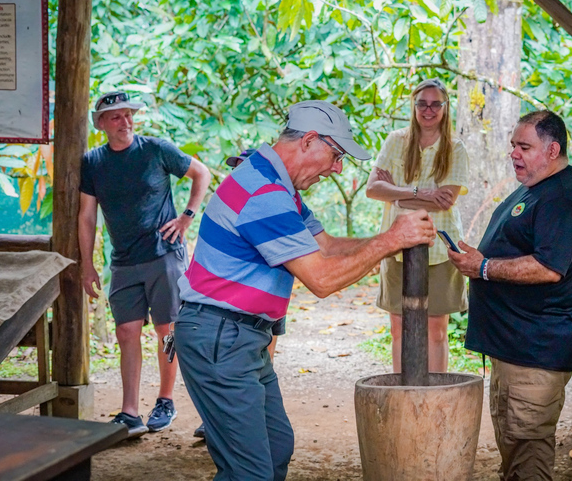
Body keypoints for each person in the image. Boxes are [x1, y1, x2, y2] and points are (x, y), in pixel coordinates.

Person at [174, 100, 436, 481]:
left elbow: (326, 246)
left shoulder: (279, 187)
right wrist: (391, 240)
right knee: (250, 472)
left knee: (276, 446)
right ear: (310, 140)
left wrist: (391, 238)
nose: (336, 169)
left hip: (239, 336)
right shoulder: (264, 192)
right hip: (220, 336)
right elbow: (322, 279)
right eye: (335, 156)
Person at [448, 110, 572, 481]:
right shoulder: (536, 186)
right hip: (514, 345)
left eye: (524, 146)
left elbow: (548, 267)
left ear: (552, 149)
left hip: (535, 349)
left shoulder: (564, 198)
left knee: (528, 453)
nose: (514, 153)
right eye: (513, 145)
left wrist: (483, 268)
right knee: (514, 446)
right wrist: (480, 259)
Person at [79, 91, 211, 437]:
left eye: (128, 115)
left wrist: (186, 217)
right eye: (116, 117)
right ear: (102, 124)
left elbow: (202, 174)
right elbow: (86, 216)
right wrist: (86, 264)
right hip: (123, 261)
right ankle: (130, 413)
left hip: (163, 255)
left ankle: (165, 401)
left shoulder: (156, 149)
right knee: (126, 332)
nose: (125, 122)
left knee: (168, 331)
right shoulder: (93, 162)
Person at [366, 78, 469, 373]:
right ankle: (403, 393)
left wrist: (396, 195)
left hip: (439, 250)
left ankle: (435, 398)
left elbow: (445, 202)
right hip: (396, 247)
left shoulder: (455, 148)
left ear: (445, 108)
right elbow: (373, 189)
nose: (428, 109)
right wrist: (419, 194)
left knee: (435, 330)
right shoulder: (396, 141)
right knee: (398, 329)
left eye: (436, 103)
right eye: (422, 103)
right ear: (413, 106)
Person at [191, 148, 285, 441]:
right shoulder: (235, 202)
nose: (240, 173)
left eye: (245, 167)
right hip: (228, 315)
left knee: (266, 344)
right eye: (237, 167)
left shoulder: (269, 202)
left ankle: (243, 408)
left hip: (263, 302)